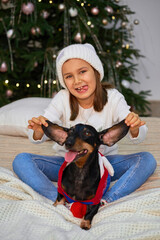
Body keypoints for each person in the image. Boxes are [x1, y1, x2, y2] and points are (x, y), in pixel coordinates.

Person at [13, 43, 157, 203]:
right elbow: (42, 133)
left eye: (82, 71)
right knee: (21, 160)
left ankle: (107, 199)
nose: (77, 81)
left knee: (147, 160)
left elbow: (138, 135)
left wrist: (135, 127)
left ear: (96, 72)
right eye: (68, 76)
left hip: (105, 164)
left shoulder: (114, 97)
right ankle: (59, 198)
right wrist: (38, 130)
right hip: (67, 164)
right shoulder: (62, 98)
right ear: (64, 81)